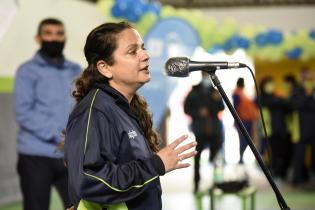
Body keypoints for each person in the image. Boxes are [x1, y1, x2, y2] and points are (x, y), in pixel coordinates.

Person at [64, 22, 197, 210]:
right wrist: (155, 165)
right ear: (105, 67)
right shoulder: (95, 111)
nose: (145, 55)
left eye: (143, 48)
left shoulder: (126, 107)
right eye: (132, 52)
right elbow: (88, 180)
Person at [14, 18, 81, 210]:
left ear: (65, 38)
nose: (54, 38)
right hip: (35, 156)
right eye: (48, 34)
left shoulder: (76, 71)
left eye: (59, 34)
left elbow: (81, 108)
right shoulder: (27, 71)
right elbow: (24, 113)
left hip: (70, 156)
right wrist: (60, 136)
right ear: (38, 38)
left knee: (79, 206)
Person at [184, 72, 224, 193]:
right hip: (200, 130)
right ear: (202, 75)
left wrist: (216, 101)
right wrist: (198, 112)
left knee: (216, 157)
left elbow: (222, 107)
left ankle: (217, 183)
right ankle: (196, 183)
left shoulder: (215, 91)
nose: (207, 77)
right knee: (197, 158)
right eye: (205, 74)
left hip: (214, 130)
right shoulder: (194, 91)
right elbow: (187, 108)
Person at [259, 76, 292, 179]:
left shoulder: (276, 96)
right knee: (274, 152)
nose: (270, 86)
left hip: (283, 128)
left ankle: (282, 172)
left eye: (271, 83)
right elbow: (272, 102)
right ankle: (275, 172)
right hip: (270, 129)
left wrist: (281, 100)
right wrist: (280, 100)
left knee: (284, 151)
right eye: (268, 84)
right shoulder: (263, 98)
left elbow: (287, 105)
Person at [232, 78, 259, 164]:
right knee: (244, 139)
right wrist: (236, 121)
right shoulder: (237, 94)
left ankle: (241, 158)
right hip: (243, 121)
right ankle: (241, 158)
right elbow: (235, 109)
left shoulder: (242, 93)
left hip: (247, 120)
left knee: (247, 139)